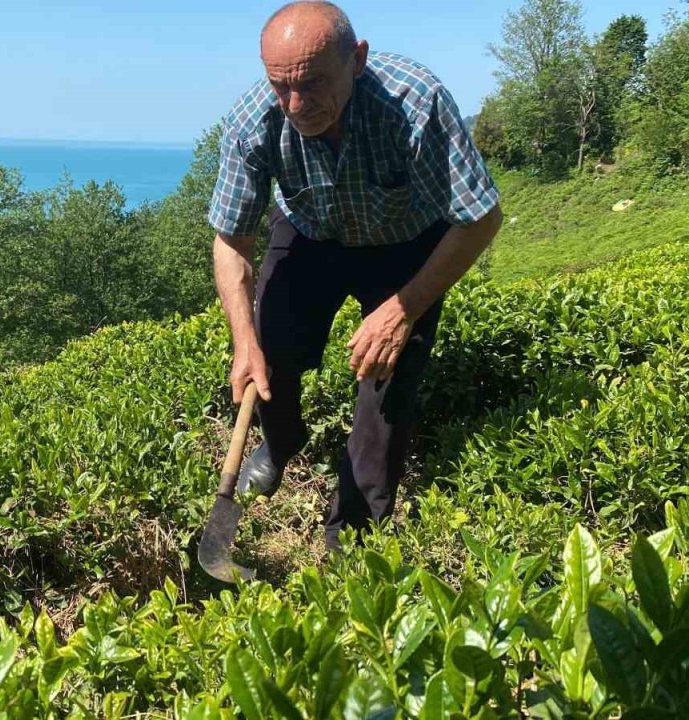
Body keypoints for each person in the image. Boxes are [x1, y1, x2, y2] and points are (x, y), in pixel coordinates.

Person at [209, 0, 503, 551]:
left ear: (357, 60)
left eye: (314, 83)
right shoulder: (252, 122)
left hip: (404, 241)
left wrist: (401, 308)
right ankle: (279, 443)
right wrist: (243, 342)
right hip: (310, 231)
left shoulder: (418, 103)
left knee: (387, 385)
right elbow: (231, 243)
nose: (297, 105)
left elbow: (481, 218)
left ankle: (353, 530)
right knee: (272, 351)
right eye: (280, 86)